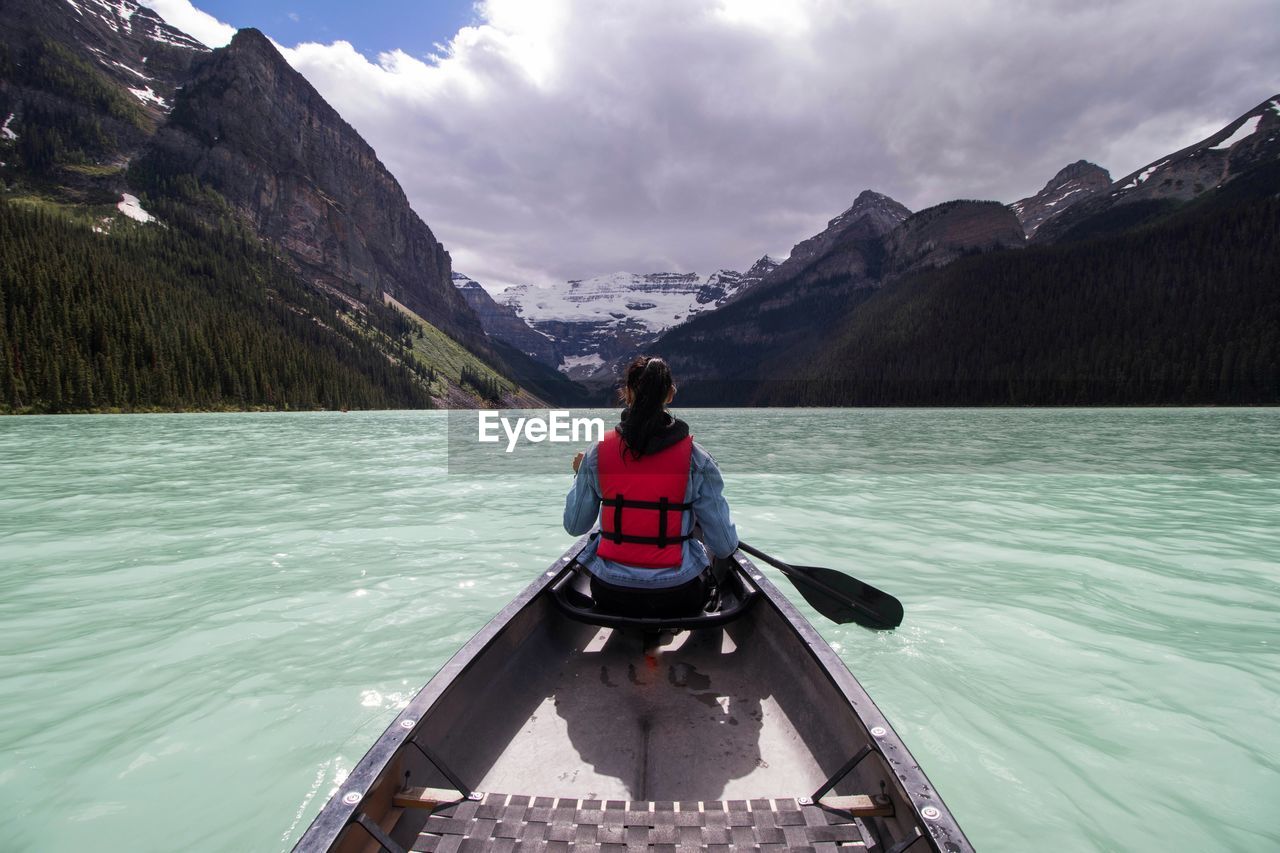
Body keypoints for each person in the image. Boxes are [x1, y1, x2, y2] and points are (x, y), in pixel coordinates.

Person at [563, 356, 738, 616]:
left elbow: (574, 526)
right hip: (678, 596)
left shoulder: (596, 453)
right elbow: (724, 546)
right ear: (670, 395)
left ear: (628, 394)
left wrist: (581, 475)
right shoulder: (698, 459)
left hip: (610, 594)